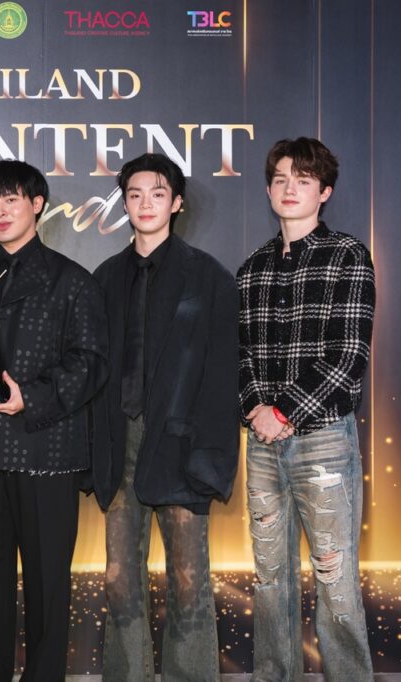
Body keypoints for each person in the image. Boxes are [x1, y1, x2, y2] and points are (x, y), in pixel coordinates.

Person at [0, 159, 108, 681]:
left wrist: (28, 397)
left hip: (47, 453)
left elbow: (91, 362)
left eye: (10, 199)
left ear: (37, 204)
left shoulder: (72, 281)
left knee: (47, 591)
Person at [89, 153, 239, 681]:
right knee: (119, 579)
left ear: (176, 203)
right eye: (134, 194)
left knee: (190, 580)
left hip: (182, 444)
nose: (145, 203)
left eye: (157, 193)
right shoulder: (105, 278)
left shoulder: (209, 277)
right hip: (120, 445)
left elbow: (223, 376)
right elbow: (94, 372)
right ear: (124, 204)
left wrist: (209, 457)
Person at [238, 137, 375, 681]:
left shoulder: (348, 255)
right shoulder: (251, 268)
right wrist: (256, 408)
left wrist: (284, 411)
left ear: (325, 191)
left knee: (335, 579)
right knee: (269, 580)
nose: (289, 188)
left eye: (302, 179)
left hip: (323, 441)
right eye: (280, 179)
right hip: (261, 444)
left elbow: (349, 356)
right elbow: (239, 354)